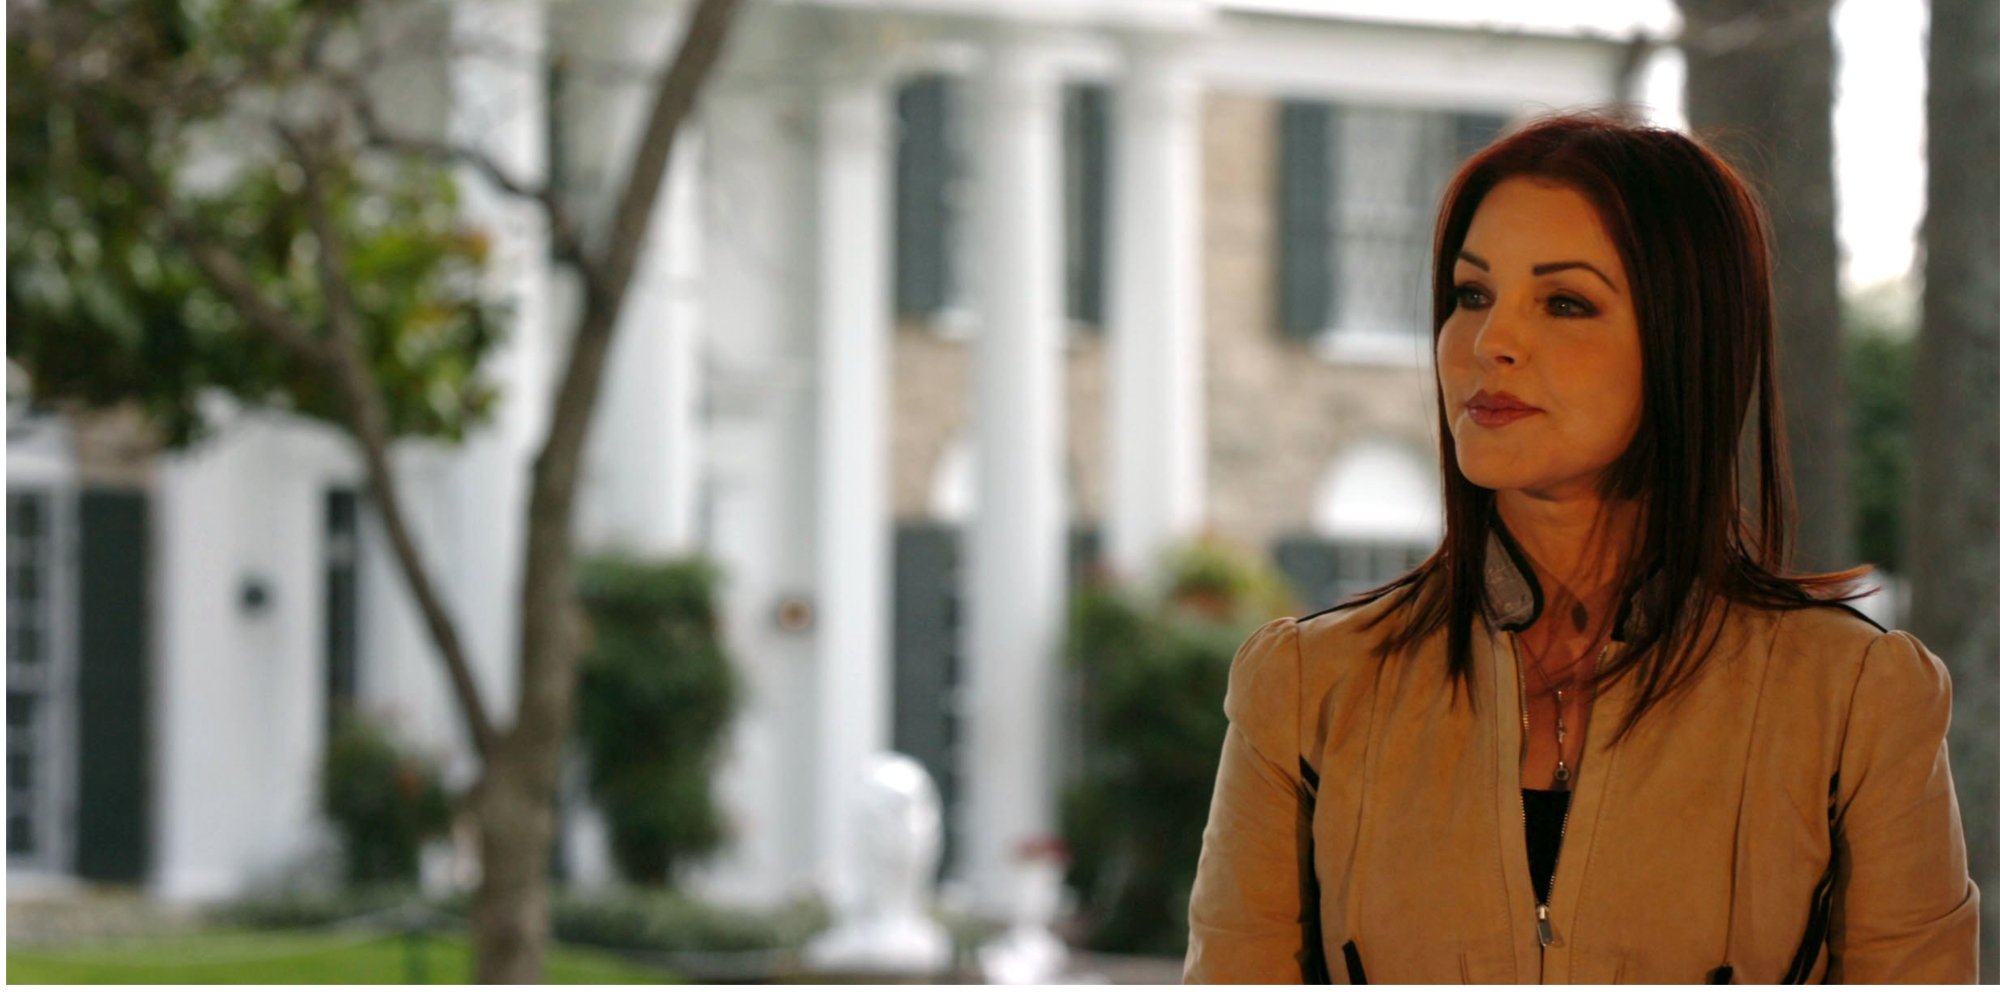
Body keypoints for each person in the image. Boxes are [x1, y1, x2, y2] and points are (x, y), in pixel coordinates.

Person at [1182, 113, 1978, 984]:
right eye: (1471, 294)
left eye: (1565, 303)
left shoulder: (1858, 699)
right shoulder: (1305, 687)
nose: (1492, 343)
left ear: (1686, 340)